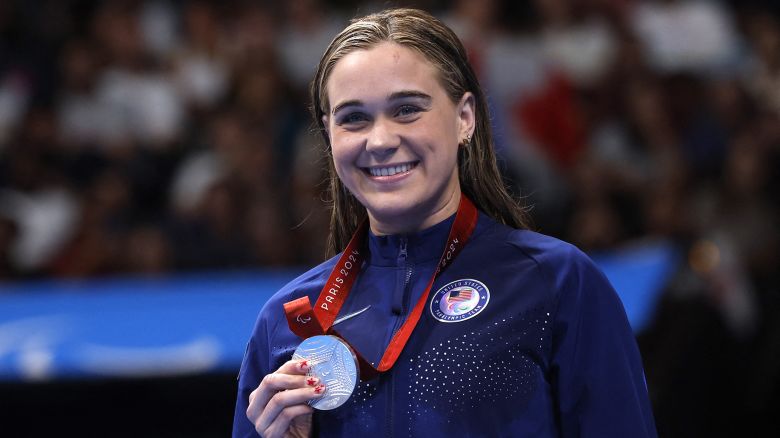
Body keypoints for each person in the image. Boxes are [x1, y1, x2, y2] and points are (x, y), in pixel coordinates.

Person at [233, 8, 657, 438]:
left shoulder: (557, 283)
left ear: (464, 117)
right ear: (329, 135)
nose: (380, 140)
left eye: (407, 109)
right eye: (353, 118)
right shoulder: (286, 324)